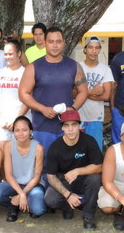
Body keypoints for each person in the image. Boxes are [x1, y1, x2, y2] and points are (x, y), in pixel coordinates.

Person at [19, 27, 88, 156]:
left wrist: (73, 108)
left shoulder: (74, 66)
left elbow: (83, 91)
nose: (55, 45)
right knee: (43, 163)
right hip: (42, 127)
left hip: (67, 127)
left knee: (67, 163)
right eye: (51, 41)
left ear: (64, 43)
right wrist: (42, 109)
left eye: (58, 41)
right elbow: (23, 94)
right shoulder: (33, 67)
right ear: (45, 42)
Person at [44, 110, 102, 229]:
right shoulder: (55, 147)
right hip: (65, 181)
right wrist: (68, 195)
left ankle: (88, 214)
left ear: (79, 125)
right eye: (67, 125)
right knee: (50, 199)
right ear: (62, 128)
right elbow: (50, 176)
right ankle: (68, 207)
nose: (70, 129)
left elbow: (99, 166)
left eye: (74, 125)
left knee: (95, 178)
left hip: (84, 180)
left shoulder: (89, 141)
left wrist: (78, 171)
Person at [0, 116, 46, 221]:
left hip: (33, 185)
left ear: (30, 131)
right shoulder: (8, 145)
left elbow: (37, 177)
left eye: (24, 130)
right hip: (14, 183)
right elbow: (8, 175)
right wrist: (21, 194)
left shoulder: (39, 148)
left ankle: (22, 201)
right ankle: (15, 205)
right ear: (13, 132)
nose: (21, 133)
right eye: (17, 130)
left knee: (38, 210)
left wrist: (23, 193)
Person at [78, 35, 114, 150]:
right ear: (85, 49)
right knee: (79, 153)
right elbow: (72, 93)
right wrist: (92, 92)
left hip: (96, 117)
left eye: (97, 48)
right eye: (90, 47)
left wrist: (83, 93)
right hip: (78, 117)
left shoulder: (105, 69)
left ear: (99, 50)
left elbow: (106, 95)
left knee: (95, 151)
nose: (93, 51)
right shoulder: (77, 67)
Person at [0, 38, 28, 149]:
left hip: (21, 121)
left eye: (10, 54)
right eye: (5, 54)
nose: (7, 57)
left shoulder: (26, 73)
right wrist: (0, 118)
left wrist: (16, 120)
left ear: (19, 53)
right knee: (3, 155)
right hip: (2, 123)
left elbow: (28, 100)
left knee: (21, 155)